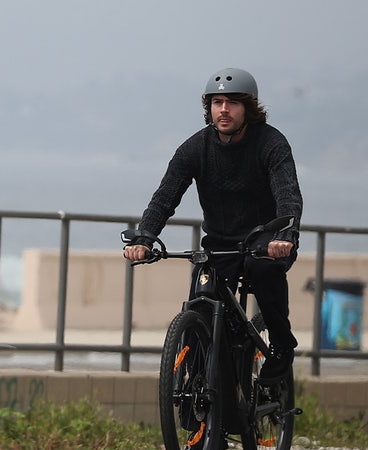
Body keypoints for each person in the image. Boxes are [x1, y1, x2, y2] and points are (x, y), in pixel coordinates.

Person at [123, 67, 302, 386]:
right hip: (219, 246)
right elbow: (165, 197)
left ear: (248, 107)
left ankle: (282, 346)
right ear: (209, 107)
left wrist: (285, 234)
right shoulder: (195, 148)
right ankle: (197, 388)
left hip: (267, 241)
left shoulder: (271, 143)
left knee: (263, 271)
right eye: (217, 102)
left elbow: (287, 194)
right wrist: (146, 237)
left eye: (232, 103)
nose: (224, 109)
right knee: (201, 302)